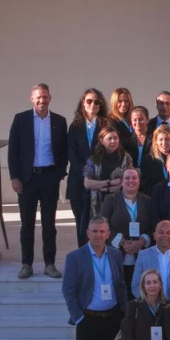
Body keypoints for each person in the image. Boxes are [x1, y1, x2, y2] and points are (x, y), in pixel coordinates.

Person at [99, 167, 155, 296]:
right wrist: (122, 241)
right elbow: (102, 225)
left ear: (139, 181)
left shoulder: (148, 201)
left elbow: (153, 226)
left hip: (141, 256)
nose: (131, 181)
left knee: (138, 293)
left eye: (134, 178)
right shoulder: (111, 200)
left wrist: (142, 241)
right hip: (117, 255)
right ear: (121, 182)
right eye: (127, 178)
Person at [68, 87, 107, 247]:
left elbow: (109, 150)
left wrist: (95, 176)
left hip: (101, 183)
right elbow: (72, 154)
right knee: (82, 225)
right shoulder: (75, 126)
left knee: (100, 225)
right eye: (89, 101)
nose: (93, 104)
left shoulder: (106, 124)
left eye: (96, 101)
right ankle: (83, 259)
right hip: (78, 182)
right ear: (83, 103)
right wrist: (86, 175)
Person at [84, 126, 133, 221]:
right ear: (102, 141)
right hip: (97, 203)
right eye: (109, 138)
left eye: (115, 138)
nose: (113, 141)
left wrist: (102, 187)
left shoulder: (126, 158)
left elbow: (126, 183)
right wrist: (110, 183)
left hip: (119, 202)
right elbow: (87, 184)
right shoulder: (94, 159)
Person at [142, 123, 170, 193]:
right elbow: (145, 186)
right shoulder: (148, 160)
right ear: (156, 142)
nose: (164, 143)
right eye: (161, 140)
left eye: (167, 139)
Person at [108, 87, 137, 155]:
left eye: (126, 101)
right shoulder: (110, 121)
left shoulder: (132, 120)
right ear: (114, 102)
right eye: (120, 101)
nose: (123, 104)